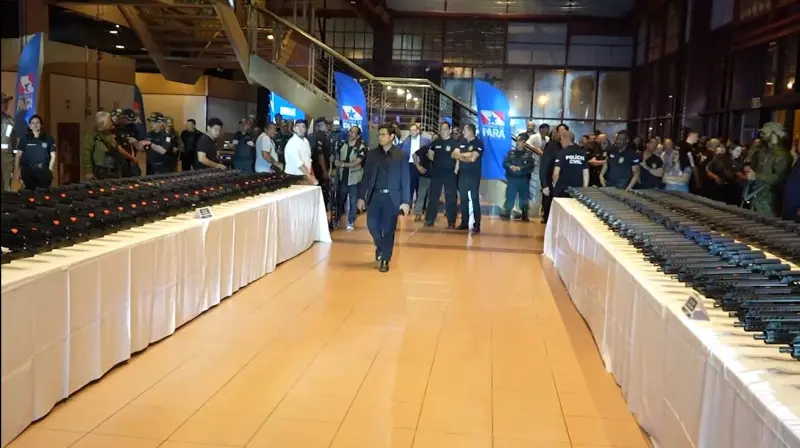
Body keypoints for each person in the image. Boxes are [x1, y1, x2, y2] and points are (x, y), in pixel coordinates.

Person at [357, 124, 411, 273]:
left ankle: (385, 260)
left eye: (383, 134)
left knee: (388, 230)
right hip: (375, 196)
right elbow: (366, 177)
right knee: (372, 225)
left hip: (392, 198)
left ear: (391, 136)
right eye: (379, 135)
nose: (380, 137)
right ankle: (381, 247)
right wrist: (361, 197)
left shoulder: (401, 155)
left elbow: (405, 179)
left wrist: (406, 201)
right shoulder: (372, 154)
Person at [425, 121, 459, 228]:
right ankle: (430, 219)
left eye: (445, 129)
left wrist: (455, 171)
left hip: (450, 174)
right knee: (433, 197)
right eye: (441, 129)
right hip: (437, 174)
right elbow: (430, 155)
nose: (443, 131)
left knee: (451, 198)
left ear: (450, 130)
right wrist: (437, 162)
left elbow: (458, 158)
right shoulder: (435, 142)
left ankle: (451, 221)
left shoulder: (454, 143)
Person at [334, 126, 367, 230]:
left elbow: (356, 162)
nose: (350, 134)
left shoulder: (361, 147)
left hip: (354, 179)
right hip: (342, 177)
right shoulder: (342, 145)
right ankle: (337, 219)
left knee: (353, 201)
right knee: (340, 200)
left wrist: (342, 164)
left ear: (358, 136)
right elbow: (336, 157)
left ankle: (351, 221)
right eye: (350, 131)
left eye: (353, 132)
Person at [452, 123, 483, 232]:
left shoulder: (478, 143)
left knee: (474, 199)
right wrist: (467, 155)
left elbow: (473, 158)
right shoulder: (461, 142)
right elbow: (454, 154)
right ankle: (464, 222)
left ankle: (477, 224)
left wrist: (461, 156)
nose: (463, 132)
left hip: (474, 175)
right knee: (463, 199)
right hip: (462, 175)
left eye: (465, 130)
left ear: (470, 131)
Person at [14, 115, 56, 190]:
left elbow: (53, 155)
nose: (35, 125)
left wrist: (50, 169)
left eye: (37, 122)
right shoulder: (24, 139)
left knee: (43, 194)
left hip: (43, 171)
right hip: (28, 171)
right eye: (33, 123)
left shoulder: (48, 138)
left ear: (41, 125)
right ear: (30, 126)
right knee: (28, 194)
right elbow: (18, 156)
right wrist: (17, 171)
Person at [501, 132, 535, 221]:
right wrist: (511, 166)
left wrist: (521, 168)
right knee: (510, 196)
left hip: (523, 179)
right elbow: (505, 163)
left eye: (520, 141)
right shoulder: (511, 153)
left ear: (524, 143)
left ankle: (524, 213)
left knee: (524, 197)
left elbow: (531, 166)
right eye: (517, 141)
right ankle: (507, 212)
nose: (518, 143)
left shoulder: (529, 154)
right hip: (512, 178)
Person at [81, 111, 124, 180]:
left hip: (114, 169)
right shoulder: (93, 135)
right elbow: (87, 153)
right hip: (100, 170)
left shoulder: (111, 134)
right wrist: (88, 171)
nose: (112, 122)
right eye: (109, 121)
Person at [539, 124, 567, 223]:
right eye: (560, 131)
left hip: (565, 184)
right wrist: (544, 184)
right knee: (548, 206)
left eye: (564, 130)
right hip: (551, 181)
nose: (562, 133)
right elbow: (544, 165)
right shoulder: (551, 145)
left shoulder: (570, 147)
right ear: (557, 133)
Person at [401, 123, 431, 205]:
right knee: (410, 186)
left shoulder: (426, 141)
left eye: (414, 130)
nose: (412, 132)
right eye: (410, 130)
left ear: (418, 131)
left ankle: (420, 206)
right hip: (410, 165)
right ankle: (408, 204)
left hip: (422, 165)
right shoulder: (406, 141)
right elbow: (402, 153)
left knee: (420, 187)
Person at [552, 130, 589, 196]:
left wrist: (554, 184)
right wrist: (585, 189)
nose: (561, 142)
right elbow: (586, 173)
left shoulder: (562, 153)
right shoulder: (582, 153)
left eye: (561, 139)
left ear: (565, 139)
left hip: (563, 189)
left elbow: (556, 172)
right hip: (578, 189)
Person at [283, 119, 317, 184]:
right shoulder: (292, 143)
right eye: (298, 127)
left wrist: (313, 175)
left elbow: (309, 159)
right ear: (294, 129)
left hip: (306, 175)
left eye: (303, 127)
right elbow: (299, 164)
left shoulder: (306, 141)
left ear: (306, 129)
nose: (301, 129)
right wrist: (310, 178)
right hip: (294, 177)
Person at [110, 108, 142, 177]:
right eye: (119, 117)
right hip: (119, 162)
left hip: (129, 162)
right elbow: (119, 148)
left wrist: (133, 157)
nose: (122, 119)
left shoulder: (124, 128)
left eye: (122, 117)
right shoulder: (111, 130)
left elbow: (130, 145)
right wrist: (132, 158)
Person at [411, 139, 433, 222]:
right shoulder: (425, 148)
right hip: (424, 175)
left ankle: (429, 215)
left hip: (435, 176)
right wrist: (418, 166)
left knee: (432, 197)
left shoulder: (439, 149)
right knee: (421, 195)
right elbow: (414, 154)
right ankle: (418, 214)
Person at [1, 92, 15, 191]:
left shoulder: (11, 121)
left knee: (6, 186)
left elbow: (14, 140)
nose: (4, 105)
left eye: (5, 102)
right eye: (2, 102)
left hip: (7, 158)